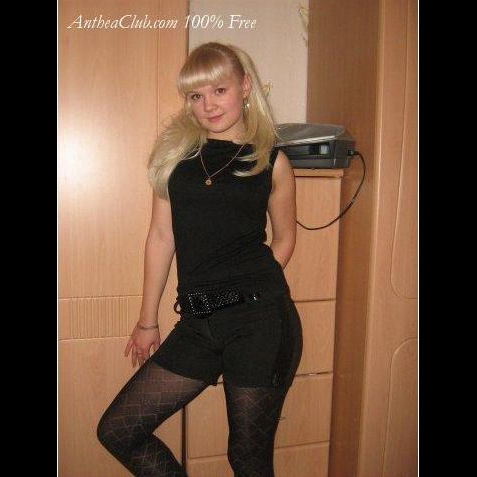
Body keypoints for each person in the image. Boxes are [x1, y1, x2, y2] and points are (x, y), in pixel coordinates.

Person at [96, 41, 303, 477]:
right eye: (196, 95)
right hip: (198, 324)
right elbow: (160, 237)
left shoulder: (271, 161)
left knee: (247, 458)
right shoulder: (175, 161)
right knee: (119, 431)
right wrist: (147, 320)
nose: (208, 105)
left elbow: (285, 238)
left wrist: (253, 291)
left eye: (219, 90)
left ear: (244, 87)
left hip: (260, 322)